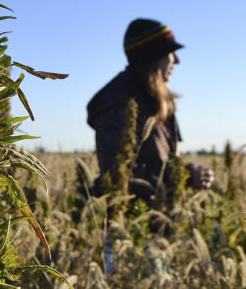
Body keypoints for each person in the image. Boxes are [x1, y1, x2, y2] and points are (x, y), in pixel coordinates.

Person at [86, 18, 214, 199]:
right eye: (171, 53)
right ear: (153, 57)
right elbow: (118, 176)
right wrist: (183, 176)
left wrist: (190, 172)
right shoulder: (119, 103)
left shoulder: (157, 100)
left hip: (158, 216)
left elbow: (166, 160)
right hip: (130, 219)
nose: (177, 61)